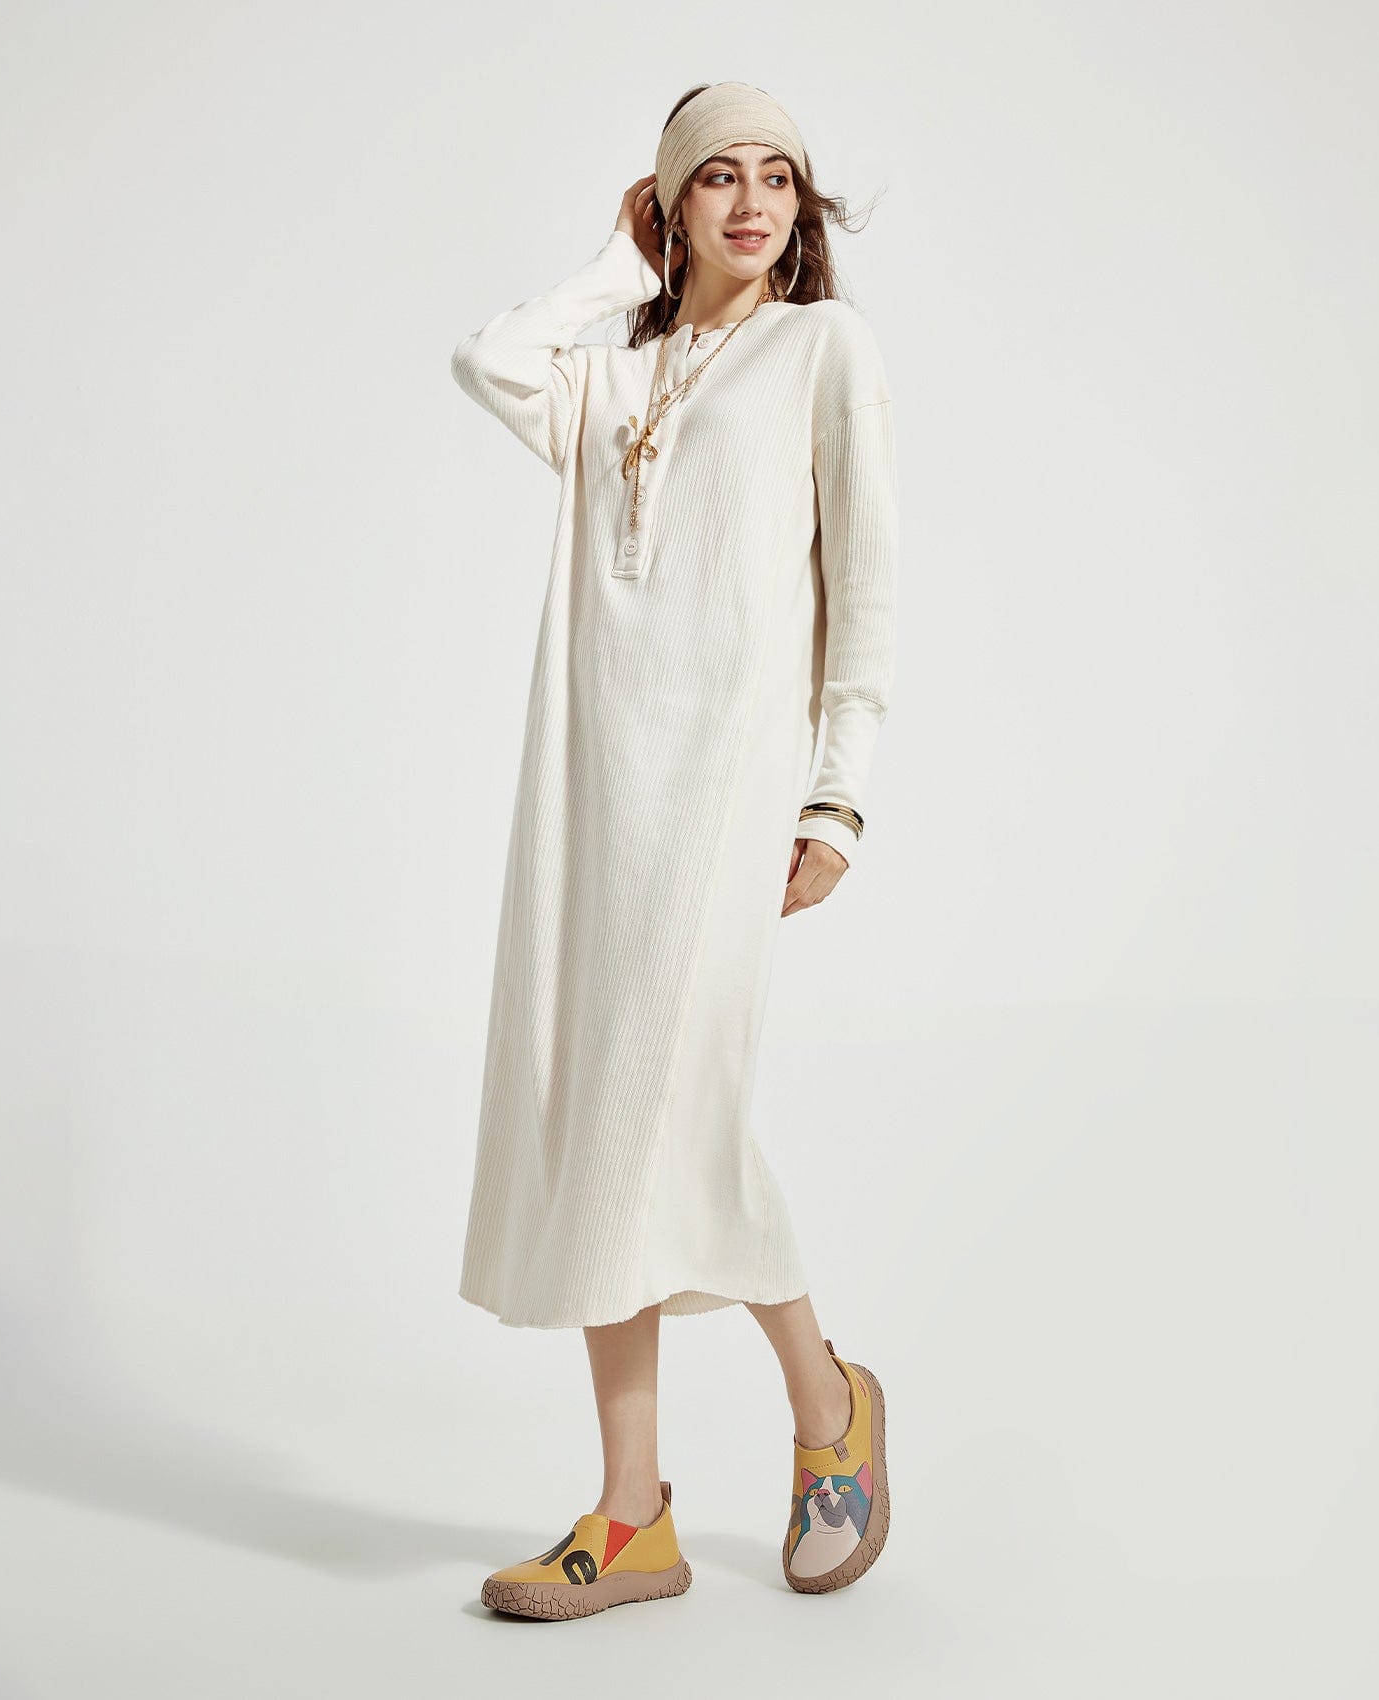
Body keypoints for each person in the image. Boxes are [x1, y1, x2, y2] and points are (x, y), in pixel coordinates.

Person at [449, 80, 900, 1619]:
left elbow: (870, 594)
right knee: (601, 1125)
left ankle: (827, 1401)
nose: (753, 201)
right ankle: (632, 1514)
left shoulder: (822, 352)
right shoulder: (612, 381)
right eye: (717, 177)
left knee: (678, 1121)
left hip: (728, 795)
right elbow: (488, 358)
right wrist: (613, 265)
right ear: (669, 204)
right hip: (593, 797)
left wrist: (836, 800)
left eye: (779, 176)